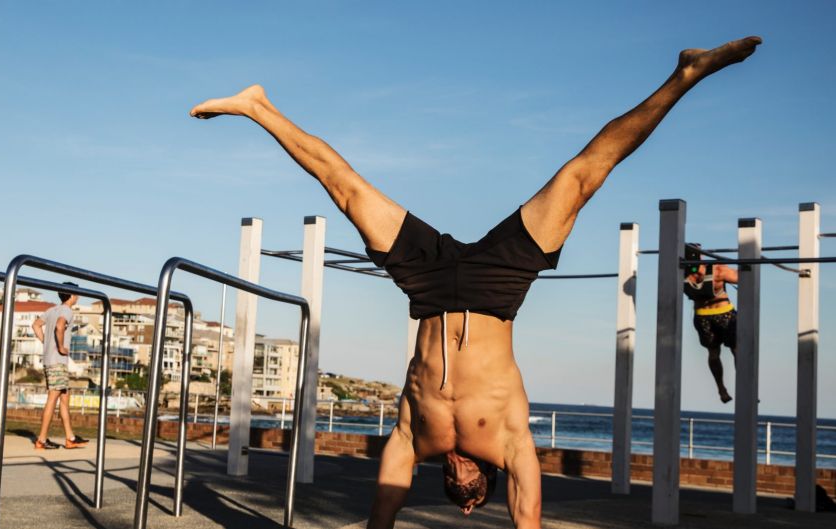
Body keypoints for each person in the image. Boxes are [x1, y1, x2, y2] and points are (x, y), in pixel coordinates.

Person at [189, 36, 761, 528]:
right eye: (473, 492)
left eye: (458, 490)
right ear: (482, 484)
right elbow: (528, 517)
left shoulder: (417, 442)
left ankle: (257, 107)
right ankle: (686, 74)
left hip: (428, 286)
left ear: (449, 483)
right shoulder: (510, 445)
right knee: (583, 175)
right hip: (497, 288)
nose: (466, 487)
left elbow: (381, 516)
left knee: (345, 188)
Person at [31, 282, 88, 450]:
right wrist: (61, 346)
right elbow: (59, 326)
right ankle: (41, 440)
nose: (78, 296)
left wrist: (45, 342)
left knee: (64, 398)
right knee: (52, 399)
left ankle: (70, 438)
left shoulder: (51, 310)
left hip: (52, 360)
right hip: (57, 361)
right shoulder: (66, 311)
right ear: (71, 295)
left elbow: (35, 325)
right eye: (77, 293)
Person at [684, 245, 739, 403]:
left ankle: (721, 389)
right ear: (700, 256)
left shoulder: (680, 272)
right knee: (736, 350)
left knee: (715, 354)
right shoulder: (718, 270)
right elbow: (744, 276)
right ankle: (735, 385)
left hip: (703, 317)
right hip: (723, 314)